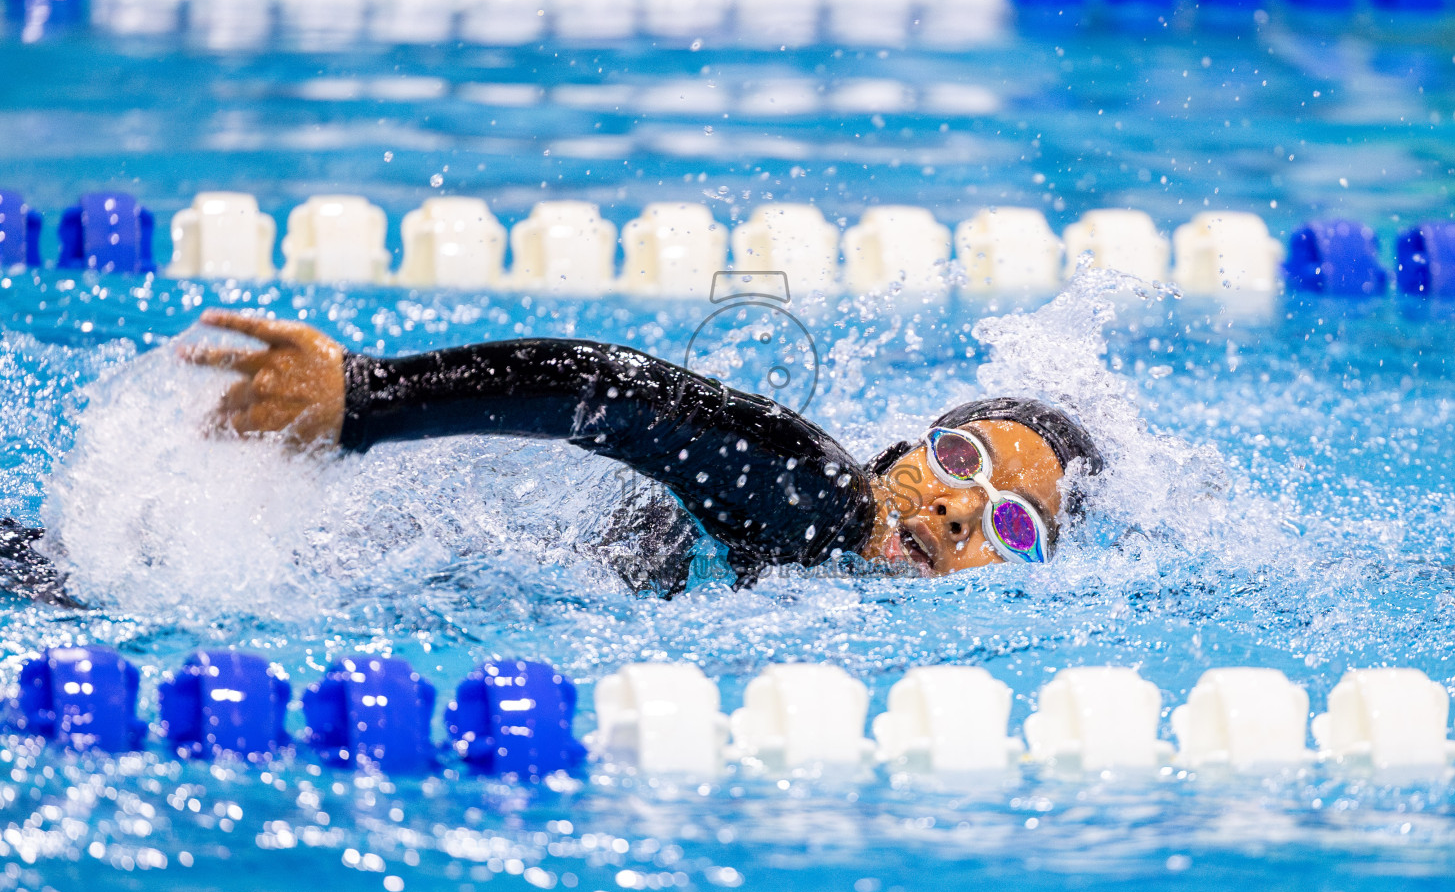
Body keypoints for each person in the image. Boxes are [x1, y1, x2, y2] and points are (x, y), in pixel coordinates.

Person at [174, 310, 1105, 592]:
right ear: (900, 451)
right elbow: (613, 394)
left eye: (1015, 527)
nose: (958, 509)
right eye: (959, 461)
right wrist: (367, 401)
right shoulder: (820, 497)